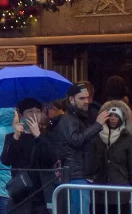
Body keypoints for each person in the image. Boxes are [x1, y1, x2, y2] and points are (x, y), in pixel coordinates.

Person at [54, 82, 108, 214]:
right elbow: (76, 140)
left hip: (83, 175)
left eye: (87, 98)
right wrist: (97, 125)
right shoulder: (68, 119)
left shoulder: (80, 118)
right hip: (77, 175)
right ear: (71, 99)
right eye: (81, 98)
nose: (86, 101)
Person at [1, 98, 58, 214]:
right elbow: (6, 160)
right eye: (30, 112)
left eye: (38, 111)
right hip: (21, 191)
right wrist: (15, 138)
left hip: (42, 190)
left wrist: (38, 136)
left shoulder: (47, 135)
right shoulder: (12, 137)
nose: (34, 115)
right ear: (21, 115)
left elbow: (52, 158)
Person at [88, 101, 132, 213]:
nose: (112, 118)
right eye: (110, 115)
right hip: (99, 192)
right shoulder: (96, 136)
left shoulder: (127, 139)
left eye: (116, 116)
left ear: (121, 119)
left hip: (120, 193)